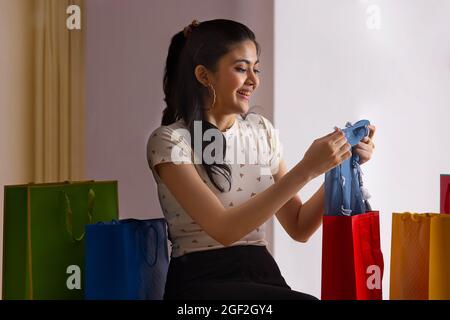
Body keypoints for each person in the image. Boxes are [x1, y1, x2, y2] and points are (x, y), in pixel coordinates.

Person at [146, 19, 376, 300]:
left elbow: (299, 226)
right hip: (201, 283)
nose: (253, 80)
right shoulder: (170, 141)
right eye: (241, 69)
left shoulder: (260, 131)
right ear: (204, 76)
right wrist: (307, 168)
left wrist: (337, 163)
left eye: (256, 69)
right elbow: (224, 229)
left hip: (264, 274)